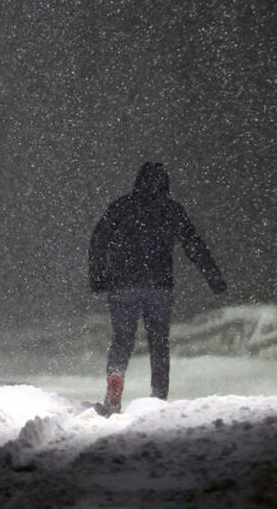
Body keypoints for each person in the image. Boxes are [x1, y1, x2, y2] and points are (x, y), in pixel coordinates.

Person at [89, 162, 226, 416]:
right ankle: (158, 398)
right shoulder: (172, 210)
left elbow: (99, 240)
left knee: (122, 339)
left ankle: (116, 377)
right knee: (159, 343)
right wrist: (213, 276)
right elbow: (193, 245)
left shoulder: (120, 207)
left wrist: (98, 276)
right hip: (159, 287)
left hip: (123, 286)